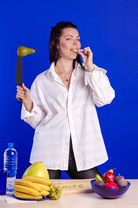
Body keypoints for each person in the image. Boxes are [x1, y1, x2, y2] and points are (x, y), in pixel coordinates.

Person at [16, 21, 115, 179]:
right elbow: (37, 122)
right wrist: (28, 102)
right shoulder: (41, 81)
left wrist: (90, 67)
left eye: (78, 38)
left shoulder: (88, 74)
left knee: (95, 196)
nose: (76, 43)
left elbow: (105, 98)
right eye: (69, 38)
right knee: (39, 199)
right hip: (49, 150)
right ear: (56, 44)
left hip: (83, 151)